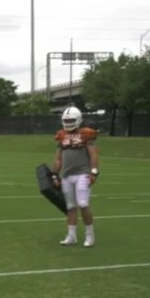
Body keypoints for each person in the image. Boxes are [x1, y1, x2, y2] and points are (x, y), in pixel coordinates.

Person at [51, 106, 100, 248]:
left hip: (83, 174)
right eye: (66, 120)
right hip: (66, 176)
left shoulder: (86, 134)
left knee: (83, 204)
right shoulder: (62, 135)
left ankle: (90, 234)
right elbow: (58, 159)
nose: (69, 122)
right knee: (71, 206)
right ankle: (71, 236)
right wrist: (55, 175)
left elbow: (93, 154)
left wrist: (94, 172)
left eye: (71, 119)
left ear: (78, 119)